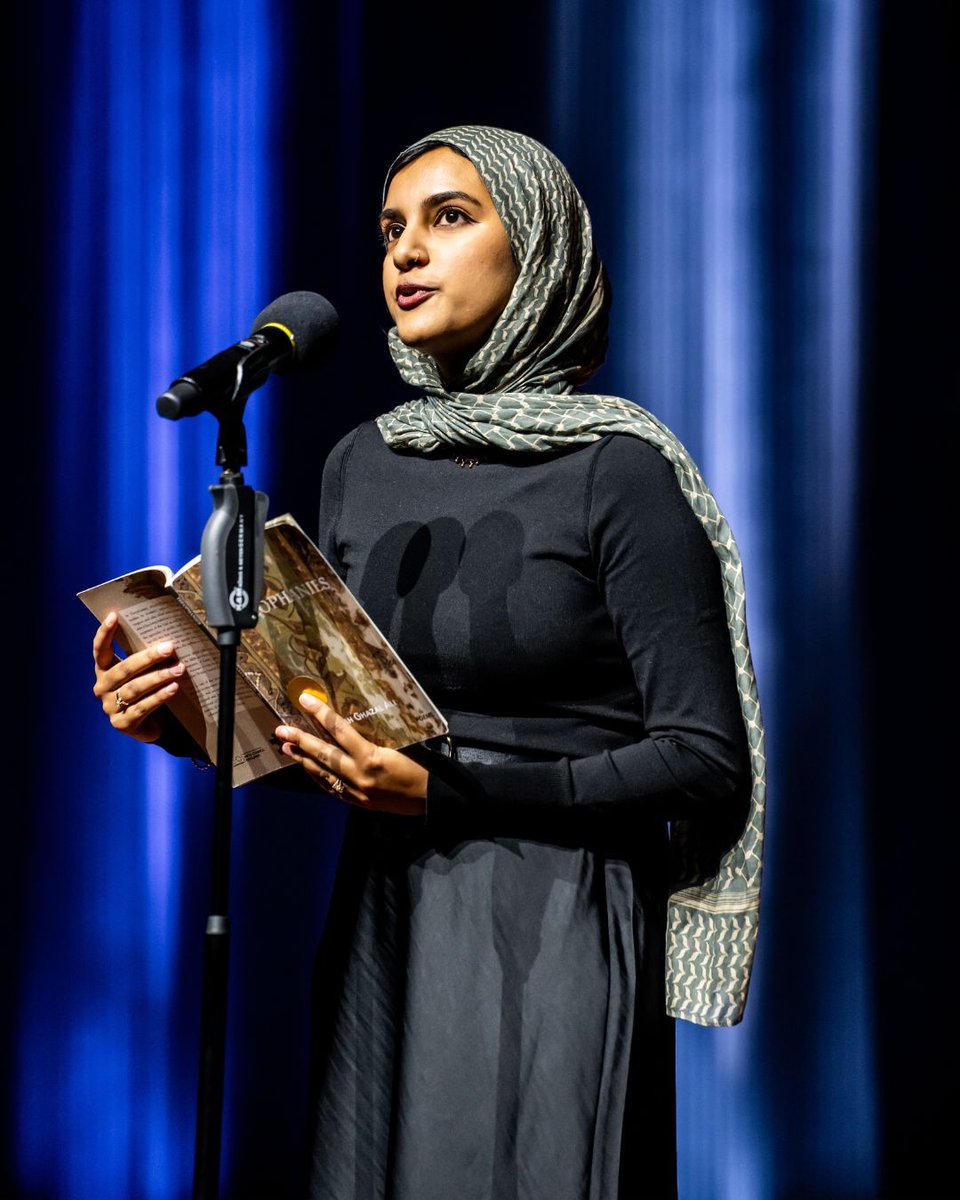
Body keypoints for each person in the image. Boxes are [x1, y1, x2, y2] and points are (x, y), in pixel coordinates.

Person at [92, 125, 765, 1200]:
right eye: (391, 229)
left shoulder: (620, 471)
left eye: (450, 218)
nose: (406, 251)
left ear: (536, 248)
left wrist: (454, 793)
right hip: (387, 913)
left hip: (554, 915)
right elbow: (339, 717)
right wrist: (190, 715)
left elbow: (701, 759)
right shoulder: (367, 460)